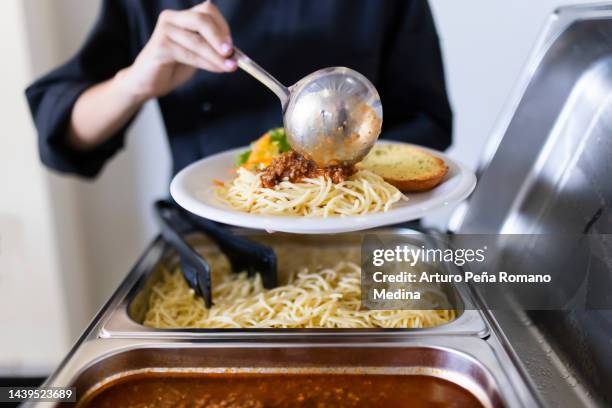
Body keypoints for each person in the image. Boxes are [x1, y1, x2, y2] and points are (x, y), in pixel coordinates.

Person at [26, 0, 452, 179]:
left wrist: (330, 184)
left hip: (366, 235)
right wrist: (135, 82)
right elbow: (60, 132)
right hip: (215, 249)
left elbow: (428, 124)